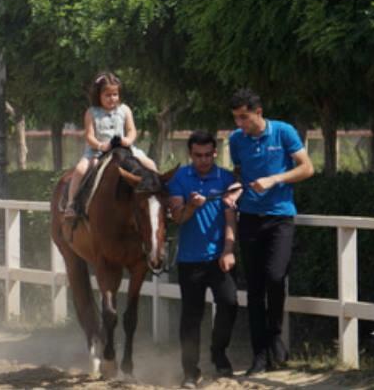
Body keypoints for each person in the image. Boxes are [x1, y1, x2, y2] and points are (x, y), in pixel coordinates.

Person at [225, 89, 314, 376]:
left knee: (276, 278)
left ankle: (274, 335)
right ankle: (260, 356)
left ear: (258, 112)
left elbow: (307, 168)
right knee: (254, 289)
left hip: (280, 217)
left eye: (244, 117)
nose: (240, 123)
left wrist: (275, 179)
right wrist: (235, 188)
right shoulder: (236, 140)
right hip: (249, 218)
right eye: (236, 118)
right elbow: (238, 172)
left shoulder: (283, 132)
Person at [168, 131, 239, 388]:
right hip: (189, 260)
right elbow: (177, 217)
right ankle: (190, 370)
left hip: (219, 257)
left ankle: (218, 353)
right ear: (190, 154)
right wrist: (191, 206)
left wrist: (228, 249)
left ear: (215, 153)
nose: (203, 160)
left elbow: (231, 219)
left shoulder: (226, 178)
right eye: (198, 155)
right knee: (191, 316)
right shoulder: (179, 178)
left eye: (208, 155)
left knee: (230, 303)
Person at [65, 71, 158, 220]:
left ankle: (159, 197)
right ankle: (71, 204)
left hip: (124, 149)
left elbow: (131, 130)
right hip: (97, 151)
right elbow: (89, 136)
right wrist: (101, 146)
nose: (112, 98)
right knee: (80, 170)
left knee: (150, 164)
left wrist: (128, 140)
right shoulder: (91, 112)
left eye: (115, 94)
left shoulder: (125, 110)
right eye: (107, 95)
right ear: (99, 95)